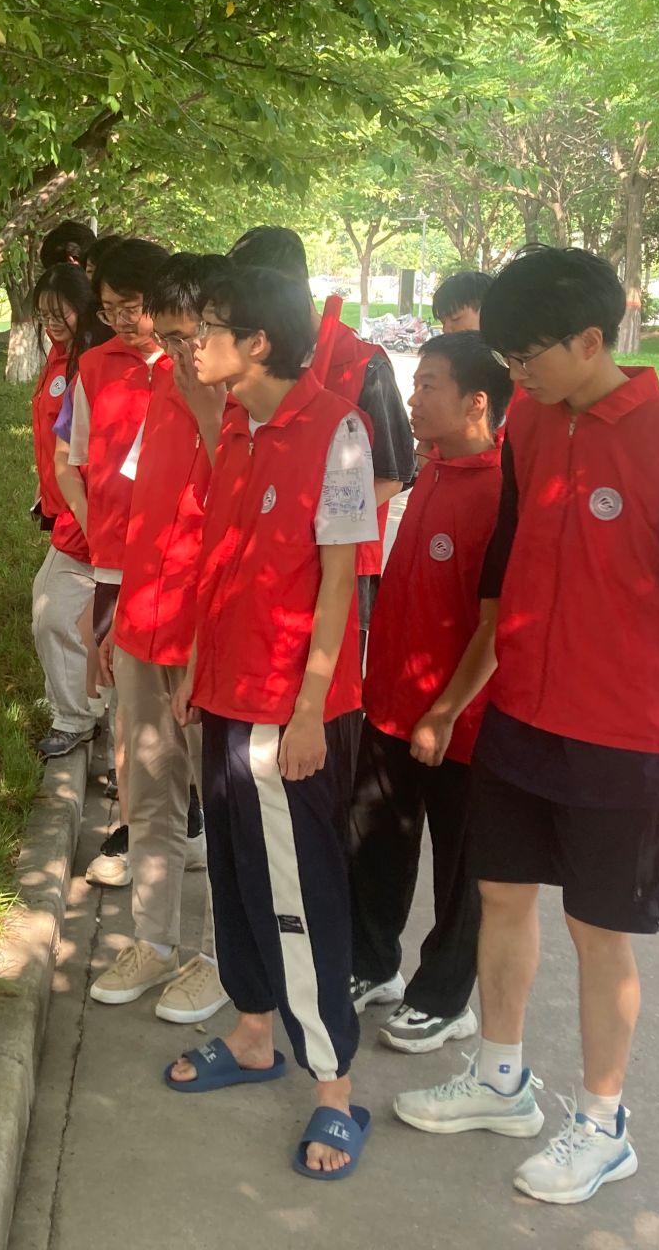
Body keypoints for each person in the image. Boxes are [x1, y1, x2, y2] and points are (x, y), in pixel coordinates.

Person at [394, 245, 659, 1206]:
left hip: (625, 737)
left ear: (592, 339)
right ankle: (500, 1078)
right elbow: (508, 562)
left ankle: (602, 1121)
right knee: (502, 894)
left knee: (600, 930)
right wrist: (462, 695)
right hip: (523, 715)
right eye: (506, 360)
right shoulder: (535, 424)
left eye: (528, 357)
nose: (517, 375)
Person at [163, 265, 378, 1183]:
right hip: (225, 694)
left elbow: (337, 583)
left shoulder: (338, 431)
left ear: (256, 342)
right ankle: (254, 1034)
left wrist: (309, 710)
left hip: (285, 713)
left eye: (208, 329)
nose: (193, 344)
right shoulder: (238, 426)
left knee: (299, 897)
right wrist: (196, 668)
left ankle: (334, 1086)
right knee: (237, 880)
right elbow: (227, 561)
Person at [230, 224, 416, 1008]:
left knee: (328, 764)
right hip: (268, 600)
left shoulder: (361, 365)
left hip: (342, 585)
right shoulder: (244, 384)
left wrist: (315, 530)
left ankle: (353, 954)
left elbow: (392, 473)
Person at [349, 332, 514, 1055]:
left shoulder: (504, 491)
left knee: (461, 864)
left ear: (477, 402)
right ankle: (372, 963)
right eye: (415, 385)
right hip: (389, 700)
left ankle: (446, 999)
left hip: (461, 723)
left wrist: (445, 711)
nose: (412, 399)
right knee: (375, 841)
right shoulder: (434, 469)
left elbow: (498, 624)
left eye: (429, 386)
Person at [87, 252, 227, 1023]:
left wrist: (210, 407)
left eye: (190, 337)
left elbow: (242, 524)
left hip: (210, 639)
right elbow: (147, 513)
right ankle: (154, 941)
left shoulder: (253, 404)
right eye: (169, 338)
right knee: (148, 793)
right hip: (146, 623)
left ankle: (223, 958)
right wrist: (120, 614)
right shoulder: (164, 389)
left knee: (224, 807)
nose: (179, 354)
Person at [61, 239, 173, 887]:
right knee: (124, 700)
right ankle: (133, 827)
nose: (124, 321)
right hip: (116, 561)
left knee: (178, 697)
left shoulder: (195, 364)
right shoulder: (95, 367)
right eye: (110, 310)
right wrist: (97, 530)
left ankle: (185, 818)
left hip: (180, 561)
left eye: (133, 306)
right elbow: (76, 461)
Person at [29, 262, 100, 760]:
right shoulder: (58, 359)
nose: (53, 323)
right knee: (58, 612)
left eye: (62, 313)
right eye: (44, 315)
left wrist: (88, 514)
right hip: (65, 509)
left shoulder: (90, 366)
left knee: (56, 614)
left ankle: (76, 715)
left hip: (90, 512)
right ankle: (74, 703)